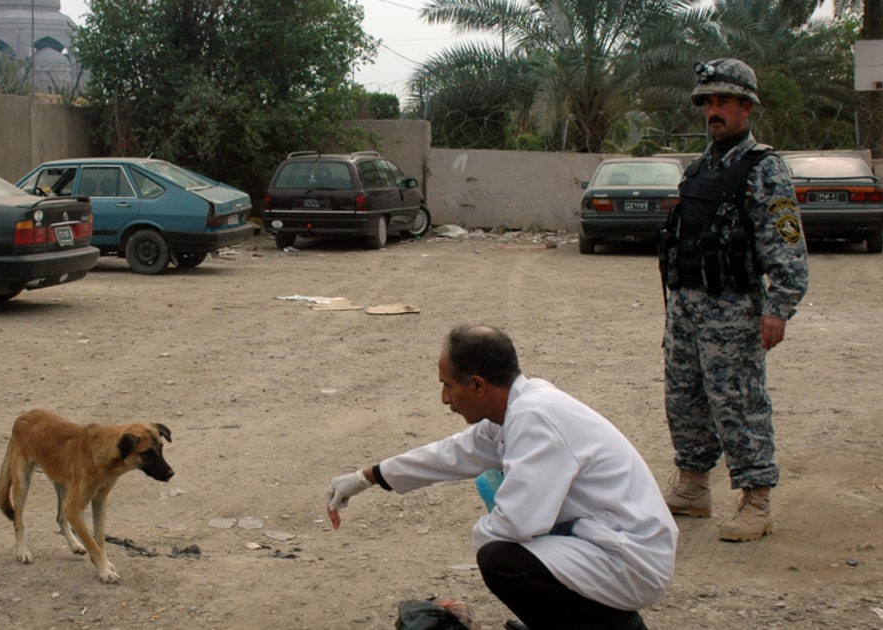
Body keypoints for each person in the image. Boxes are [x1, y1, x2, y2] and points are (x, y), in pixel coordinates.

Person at [326, 325, 677, 630]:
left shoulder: (535, 417)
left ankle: (616, 627)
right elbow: (452, 453)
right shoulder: (517, 406)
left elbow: (519, 522)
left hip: (631, 557)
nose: (445, 398)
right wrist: (367, 477)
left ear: (478, 386)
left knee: (501, 560)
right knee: (503, 550)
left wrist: (483, 537)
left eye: (448, 386)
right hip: (605, 541)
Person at [658, 58, 808, 542]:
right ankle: (694, 486)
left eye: (723, 101)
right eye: (707, 102)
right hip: (687, 307)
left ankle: (757, 499)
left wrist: (778, 307)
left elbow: (786, 244)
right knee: (684, 398)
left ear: (746, 106)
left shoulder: (765, 170)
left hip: (734, 310)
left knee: (739, 403)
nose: (713, 111)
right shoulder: (699, 168)